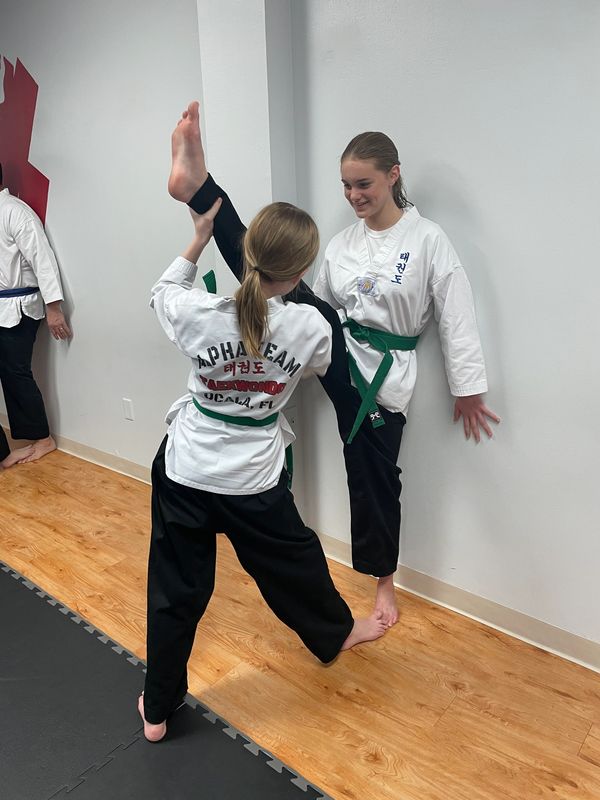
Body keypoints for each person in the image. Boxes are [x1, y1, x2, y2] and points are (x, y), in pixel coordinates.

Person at [167, 103, 499, 629]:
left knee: (375, 479)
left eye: (363, 184)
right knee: (271, 268)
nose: (354, 196)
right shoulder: (343, 243)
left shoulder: (427, 240)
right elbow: (308, 314)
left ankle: (383, 584)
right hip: (338, 351)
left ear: (394, 176)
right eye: (346, 186)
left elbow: (456, 312)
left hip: (385, 377)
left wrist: (468, 388)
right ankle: (201, 187)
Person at [139, 147, 386, 743]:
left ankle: (157, 709)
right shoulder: (311, 326)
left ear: (245, 256)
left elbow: (162, 291)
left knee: (175, 591)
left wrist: (199, 238)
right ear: (300, 275)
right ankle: (334, 634)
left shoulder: (197, 311)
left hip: (188, 470)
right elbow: (326, 365)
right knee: (294, 561)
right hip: (252, 481)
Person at [0, 162, 71, 469]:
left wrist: (53, 307)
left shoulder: (16, 212)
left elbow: (42, 258)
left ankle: (42, 438)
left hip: (20, 306)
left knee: (15, 371)